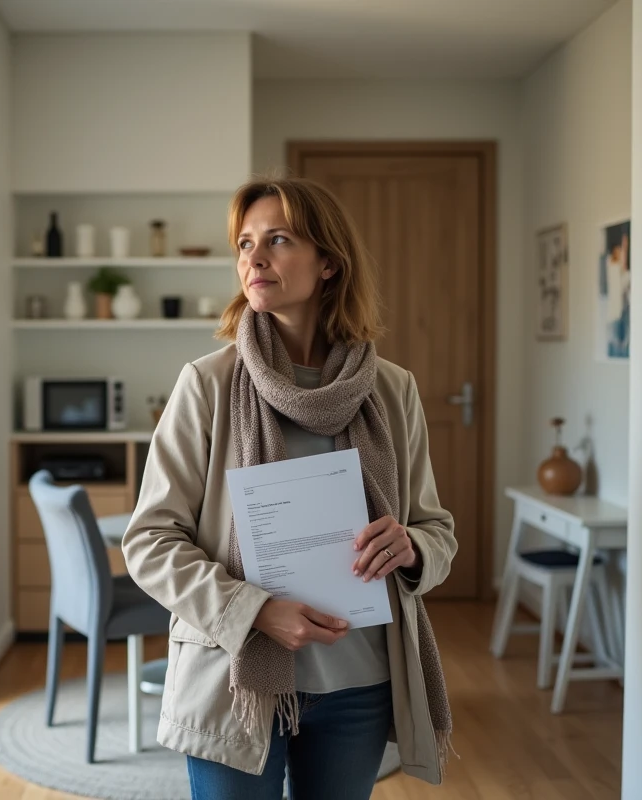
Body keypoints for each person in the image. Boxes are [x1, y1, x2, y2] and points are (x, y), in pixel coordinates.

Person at [122, 176, 458, 800]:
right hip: (235, 681)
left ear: (329, 261)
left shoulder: (393, 389)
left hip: (359, 683)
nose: (254, 257)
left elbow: (436, 530)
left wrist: (411, 546)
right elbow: (148, 540)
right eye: (245, 243)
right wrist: (254, 611)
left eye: (277, 239)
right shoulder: (207, 385)